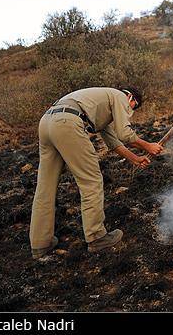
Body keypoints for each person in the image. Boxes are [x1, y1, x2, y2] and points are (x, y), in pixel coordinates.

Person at [29, 86, 163, 259]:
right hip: (67, 123)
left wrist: (135, 158)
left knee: (45, 187)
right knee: (91, 182)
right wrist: (148, 146)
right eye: (133, 108)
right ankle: (96, 237)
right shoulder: (119, 97)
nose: (130, 111)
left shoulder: (99, 104)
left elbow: (114, 142)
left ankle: (40, 243)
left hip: (47, 122)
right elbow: (124, 133)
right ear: (130, 98)